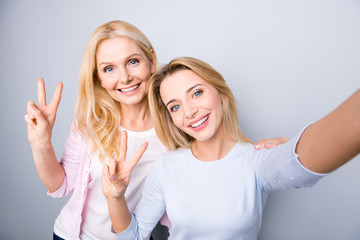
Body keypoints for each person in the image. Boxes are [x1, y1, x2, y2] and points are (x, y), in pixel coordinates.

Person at [24, 21, 285, 240]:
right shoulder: (92, 123)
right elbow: (60, 185)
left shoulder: (180, 124)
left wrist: (267, 156)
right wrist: (42, 144)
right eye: (109, 69)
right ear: (99, 79)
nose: (124, 77)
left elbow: (214, 168)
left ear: (151, 60)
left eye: (133, 61)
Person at [103, 57, 360, 240]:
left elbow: (299, 164)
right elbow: (133, 237)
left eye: (196, 93)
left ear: (221, 94)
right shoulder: (166, 167)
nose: (190, 111)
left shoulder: (254, 161)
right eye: (175, 106)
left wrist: (293, 147)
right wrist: (115, 198)